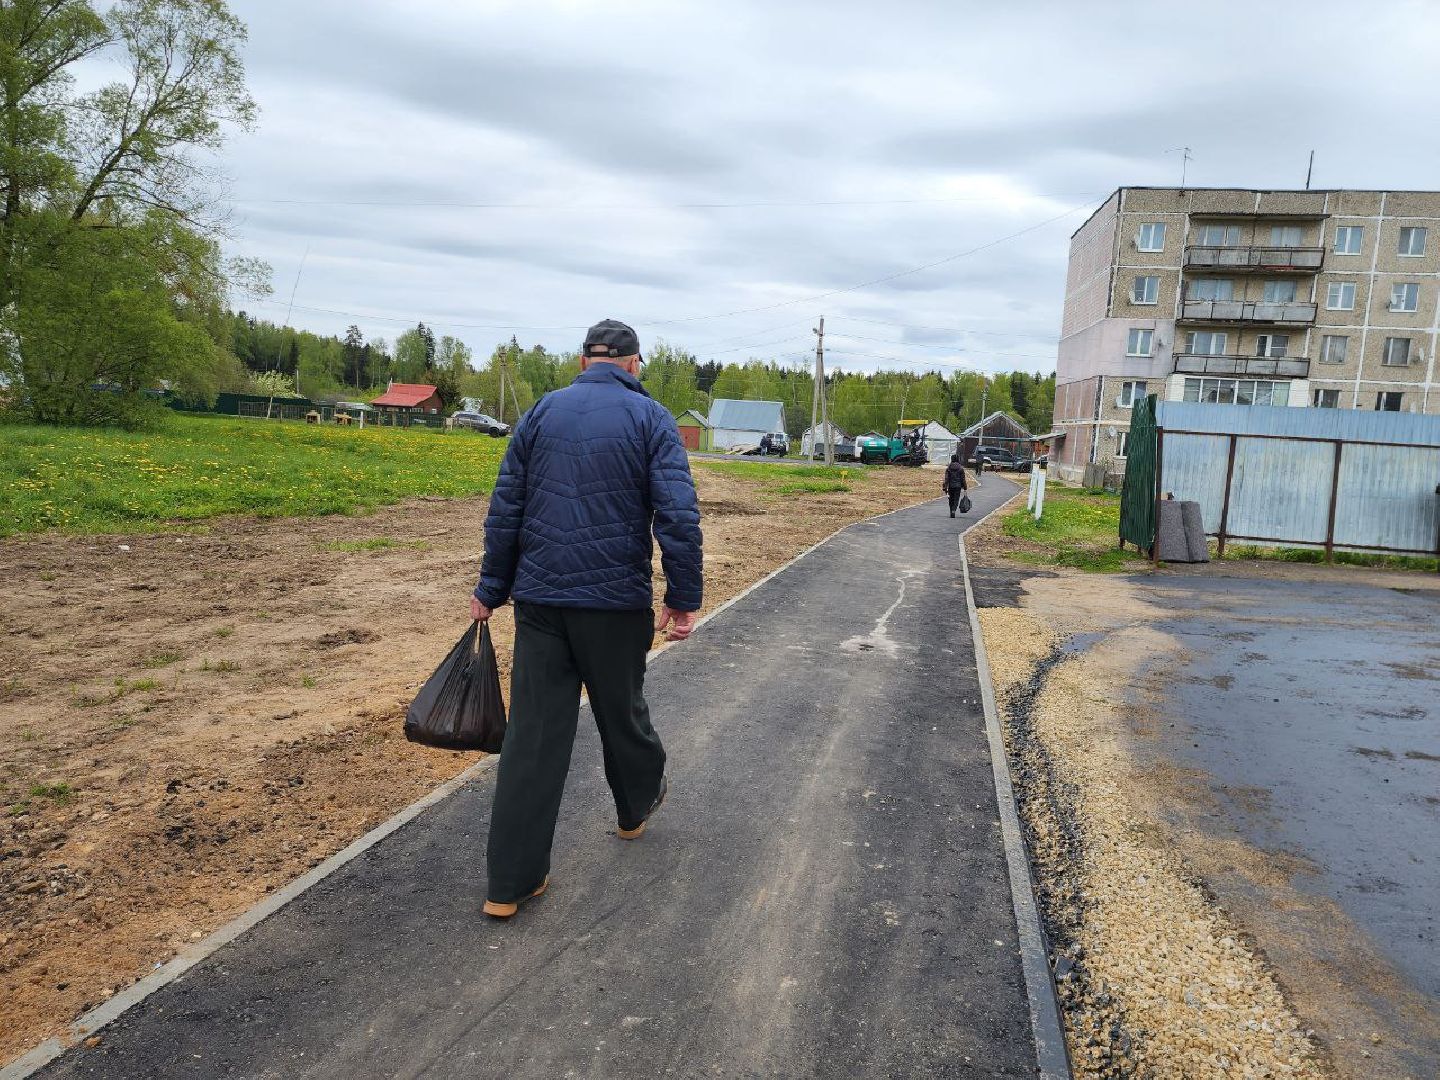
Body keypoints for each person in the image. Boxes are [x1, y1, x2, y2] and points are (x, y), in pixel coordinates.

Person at [470, 318, 704, 919]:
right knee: (621, 712)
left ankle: (509, 885)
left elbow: (507, 508)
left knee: (533, 737)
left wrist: (490, 589)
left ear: (583, 363)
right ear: (632, 364)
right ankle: (636, 807)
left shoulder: (542, 413)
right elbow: (677, 515)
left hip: (541, 604)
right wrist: (682, 597)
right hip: (614, 606)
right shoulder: (651, 419)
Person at [944, 453, 969, 518]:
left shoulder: (948, 468)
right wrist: (965, 488)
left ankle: (951, 511)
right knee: (956, 499)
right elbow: (963, 479)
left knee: (951, 499)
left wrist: (945, 487)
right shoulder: (961, 468)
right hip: (958, 486)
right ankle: (954, 510)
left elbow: (946, 479)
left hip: (950, 486)